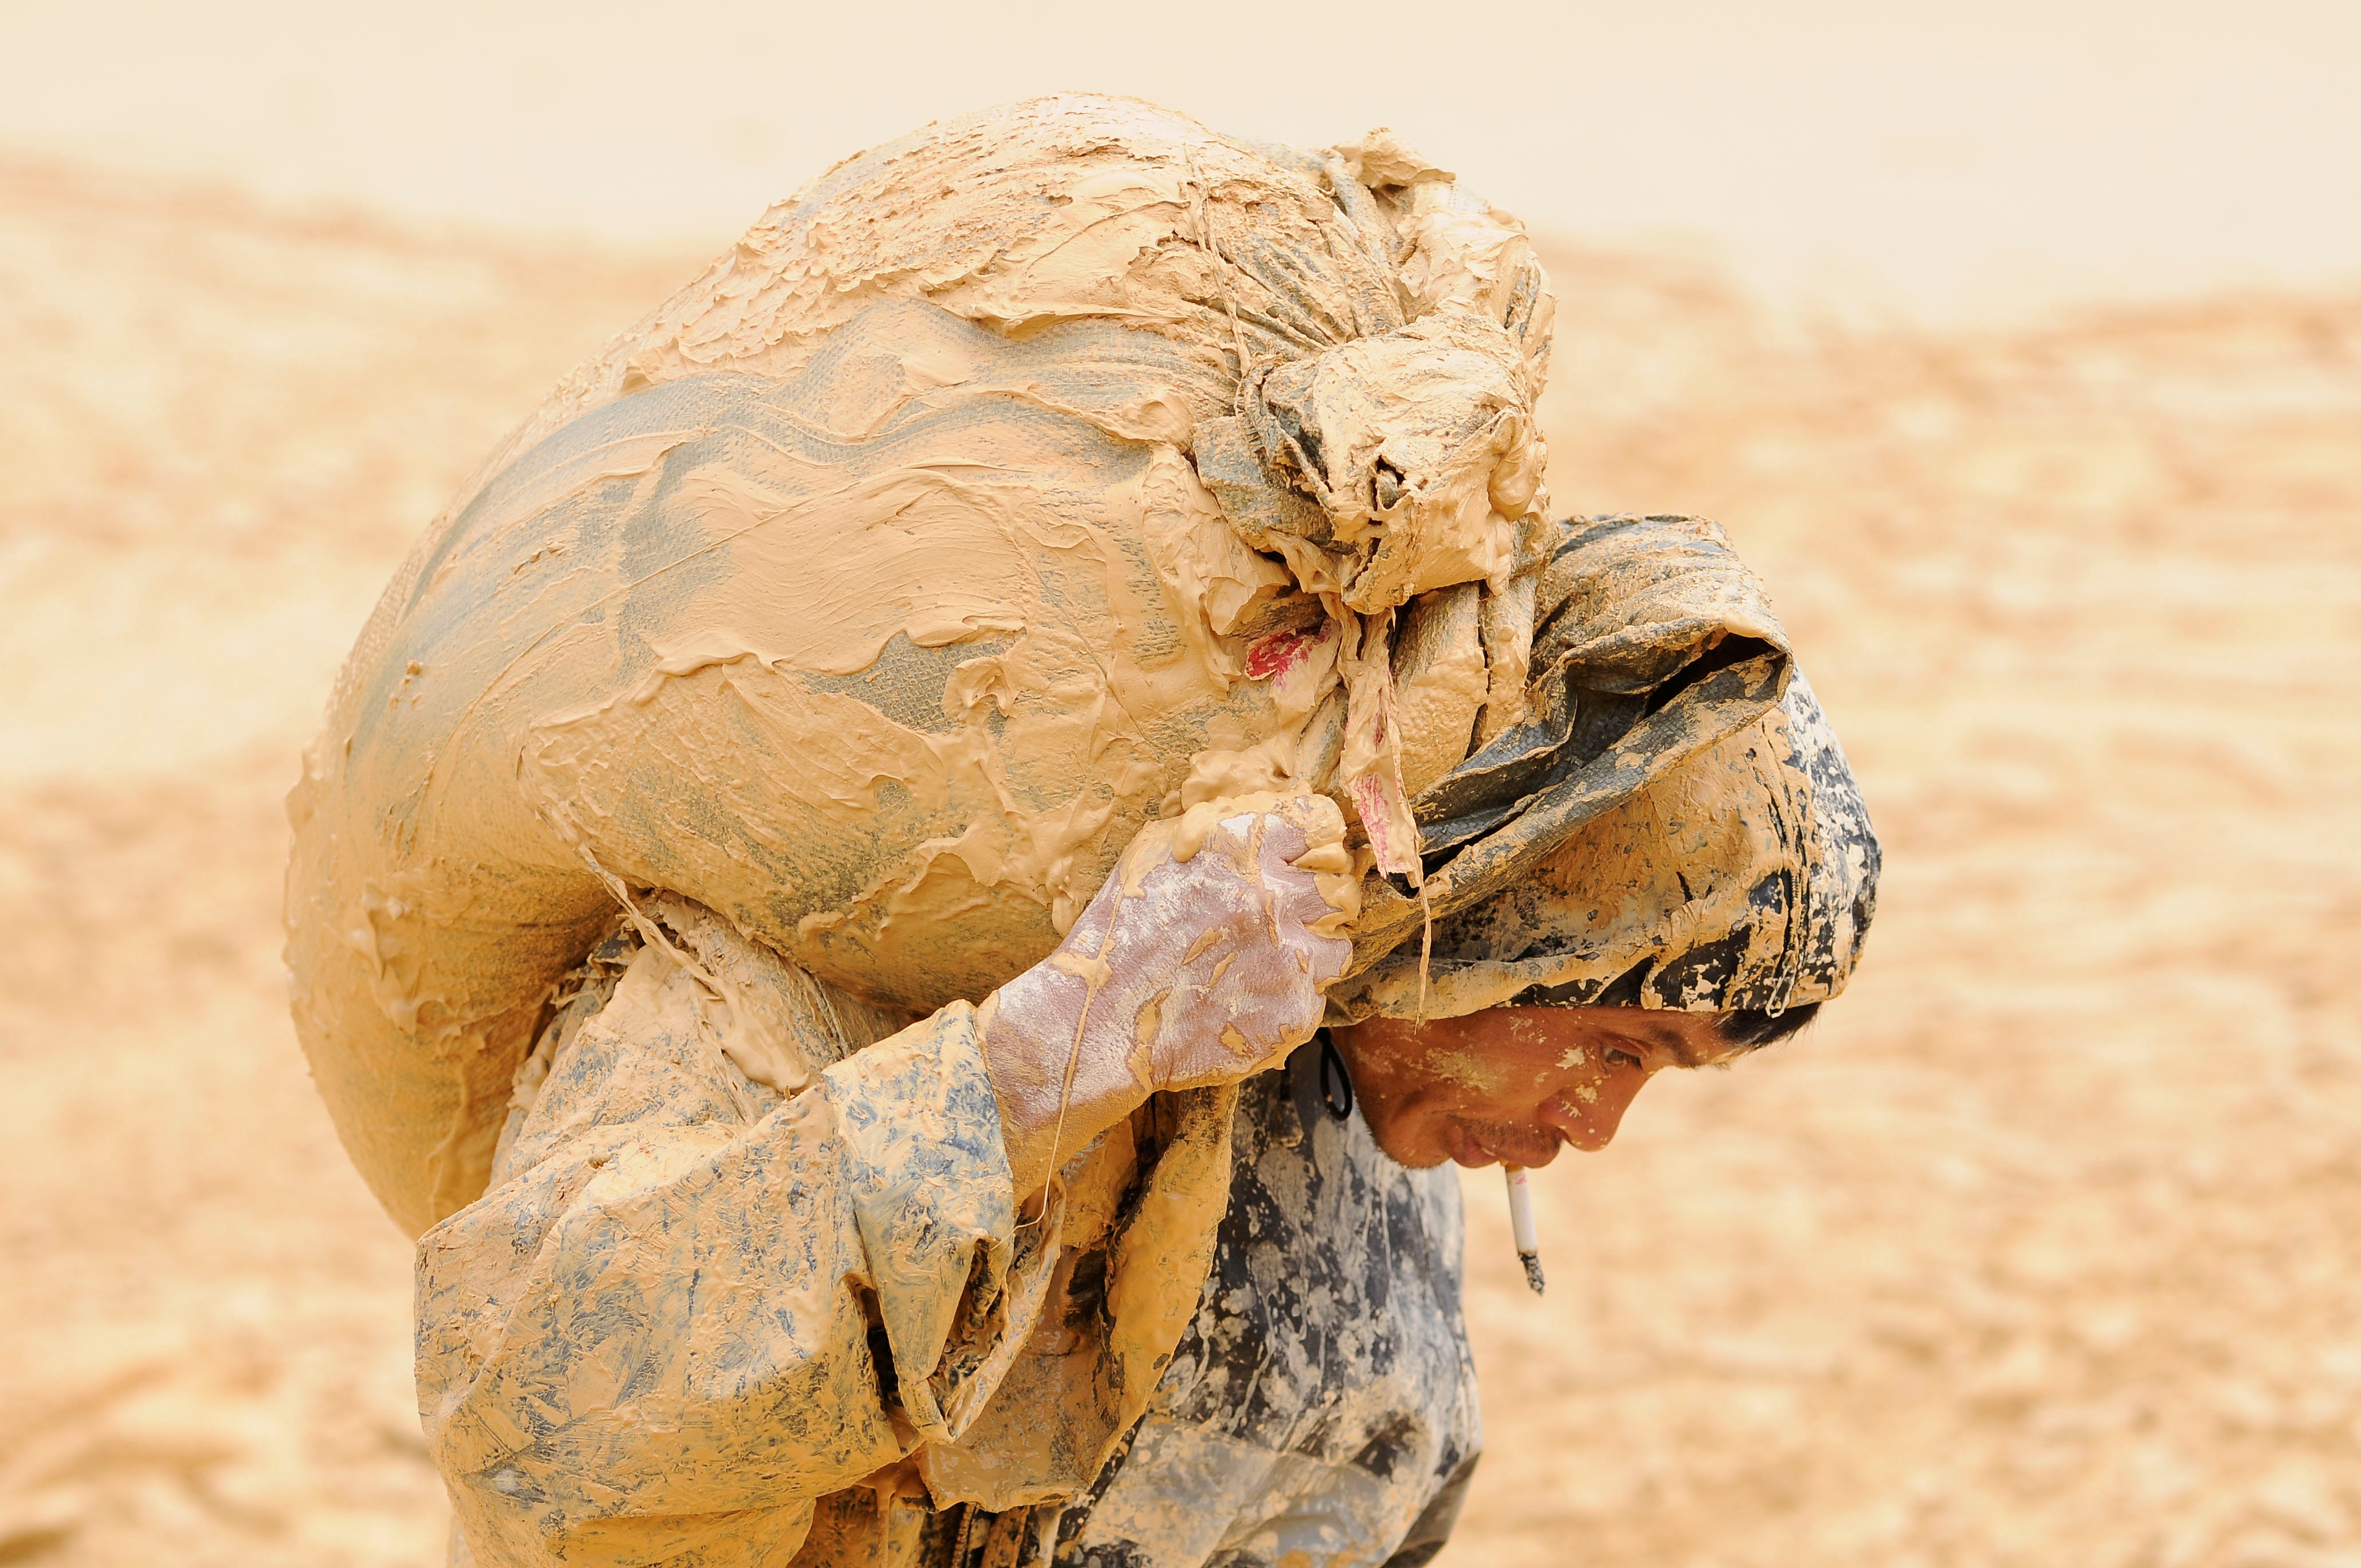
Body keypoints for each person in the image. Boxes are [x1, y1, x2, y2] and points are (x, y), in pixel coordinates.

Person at [414, 505, 1880, 1568]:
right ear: (1501, 912)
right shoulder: (821, 962)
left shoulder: (1348, 1092)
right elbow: (547, 1435)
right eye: (1614, 1043)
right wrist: (1046, 1058)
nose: (1592, 1126)